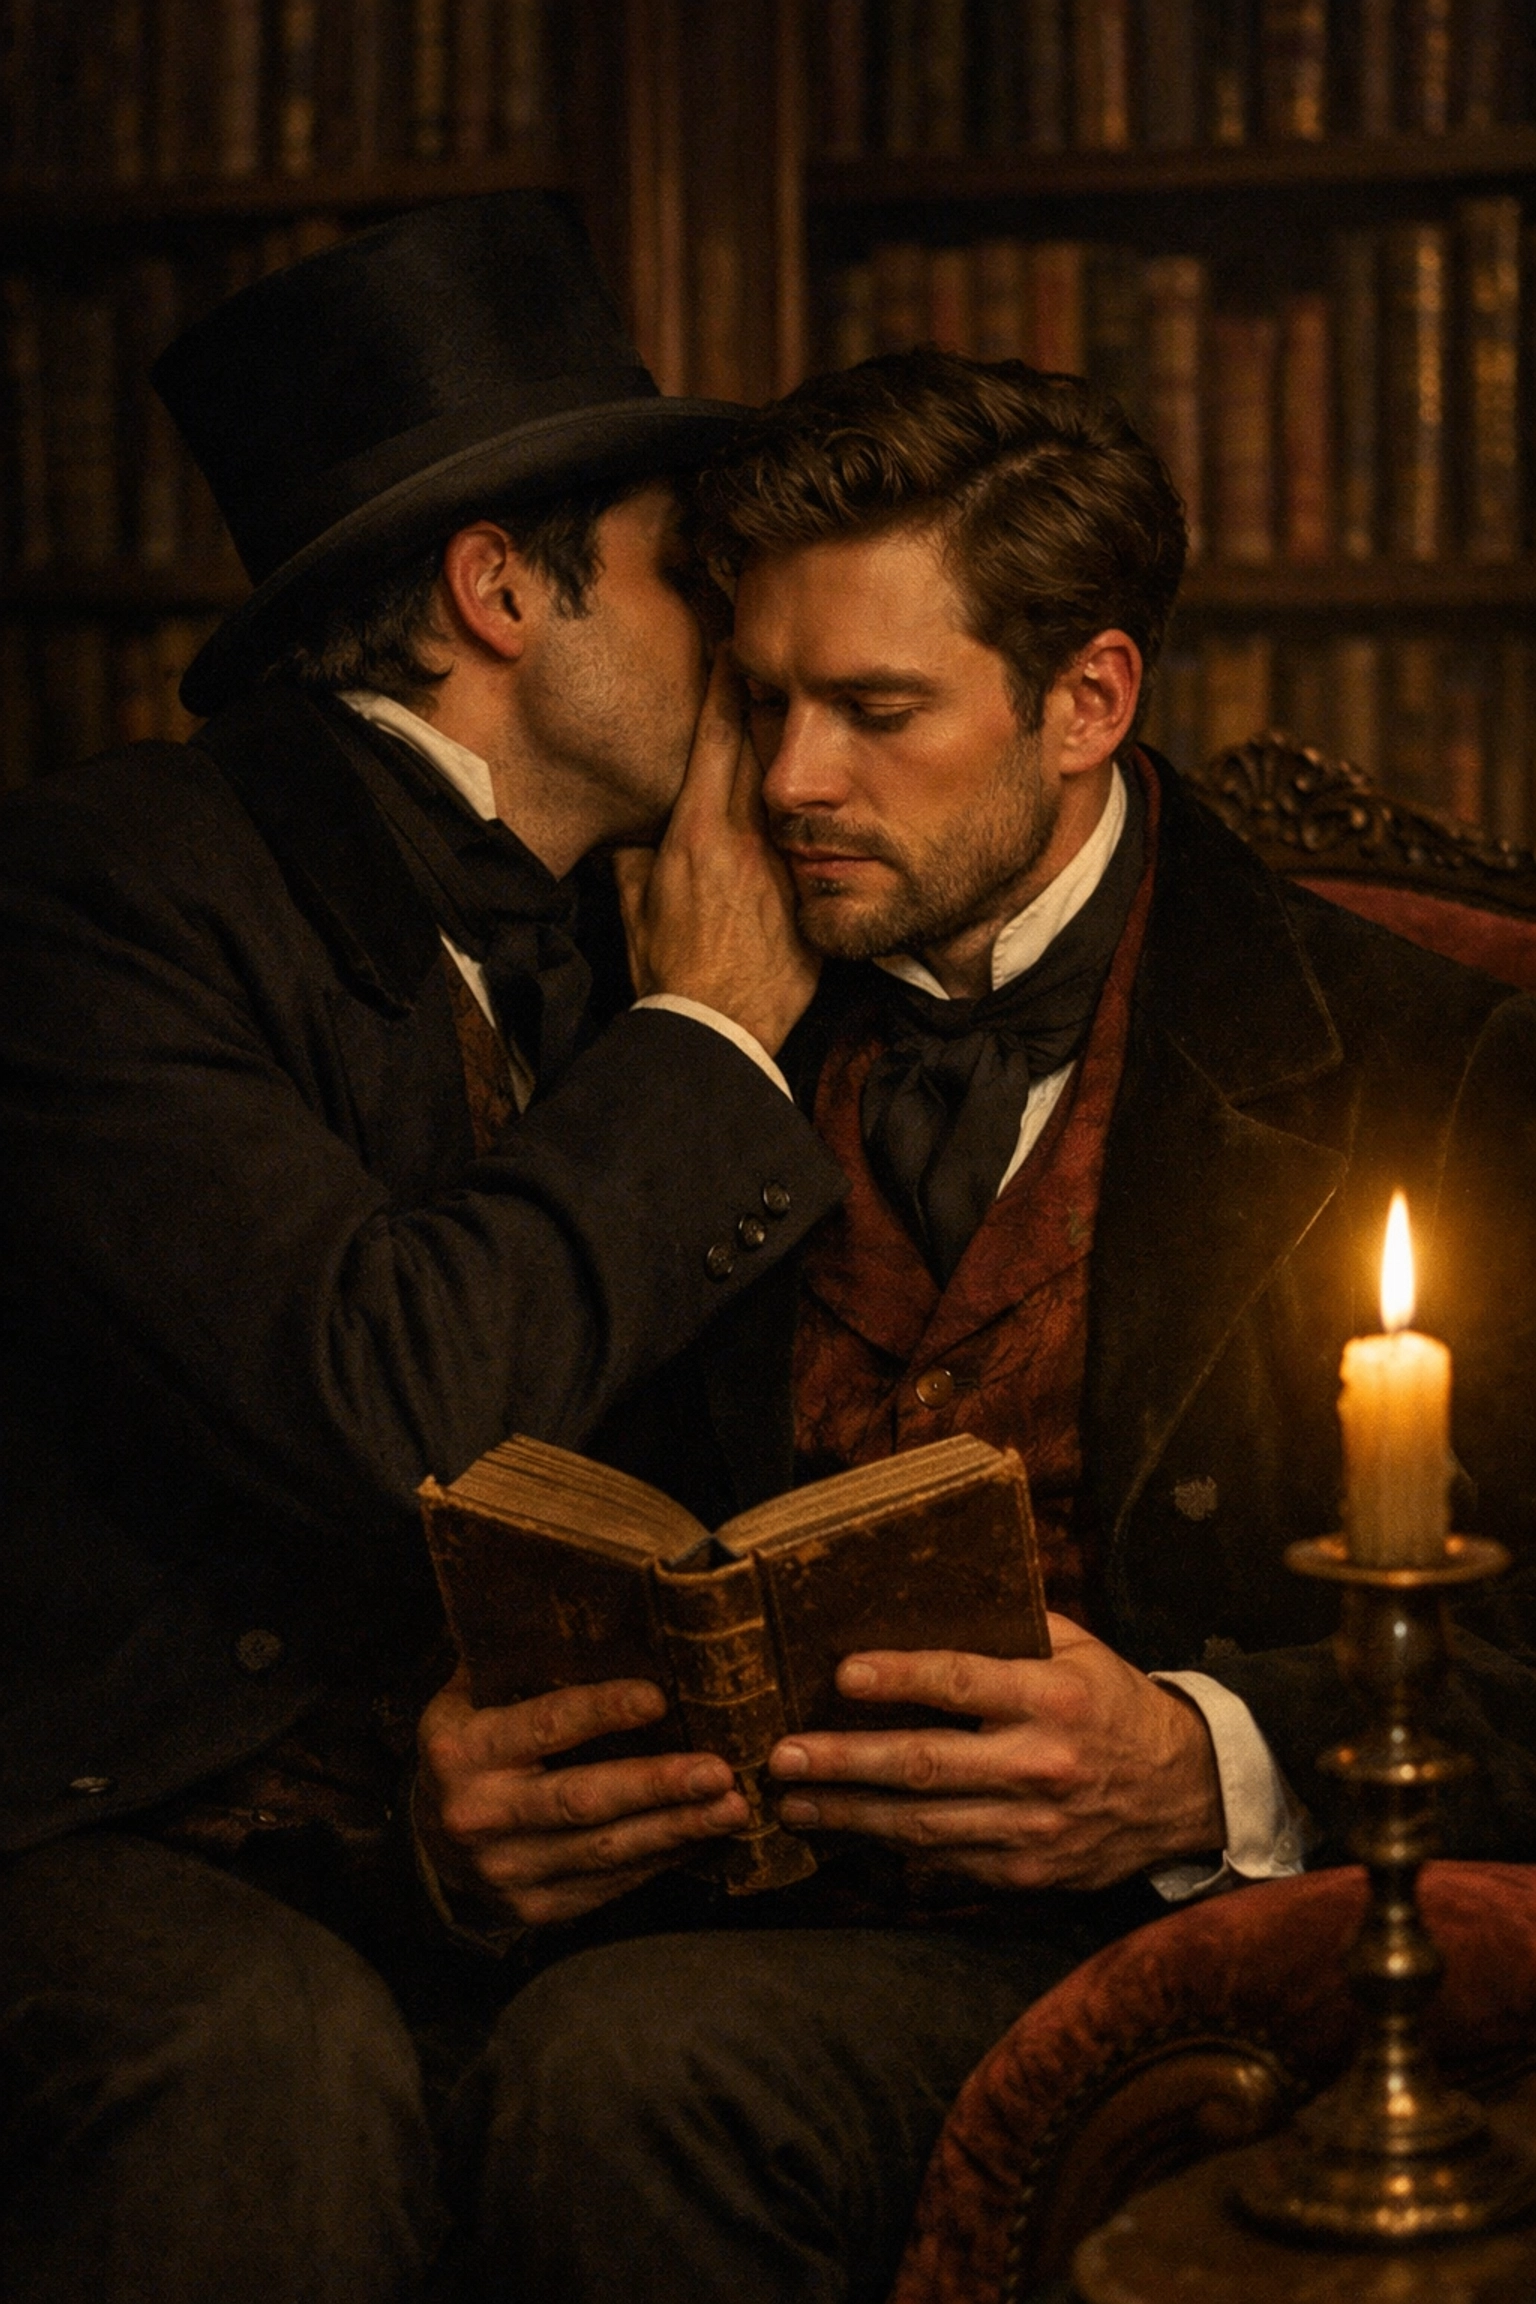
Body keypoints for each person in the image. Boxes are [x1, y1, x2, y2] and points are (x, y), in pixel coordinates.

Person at [416, 351, 1536, 2304]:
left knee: (627, 2074)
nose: (786, 783)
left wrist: (1210, 1763)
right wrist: (471, 1775)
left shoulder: (1433, 1068)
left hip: (1157, 1957)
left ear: (1088, 700)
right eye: (763, 702)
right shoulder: (645, 1012)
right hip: (713, 1919)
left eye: (877, 711)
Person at [0, 192, 848, 2301]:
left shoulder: (634, 902)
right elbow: (393, 1398)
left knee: (656, 2065)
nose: (739, 642)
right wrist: (708, 1041)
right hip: (103, 1818)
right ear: (497, 591)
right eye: (682, 569)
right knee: (265, 2058)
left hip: (470, 1844)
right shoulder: (102, 897)